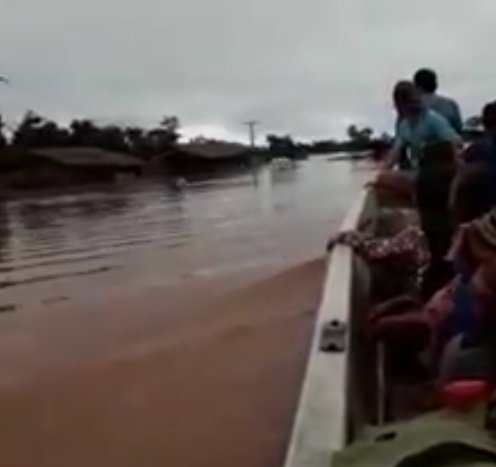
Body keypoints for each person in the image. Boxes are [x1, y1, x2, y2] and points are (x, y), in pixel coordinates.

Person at [413, 68, 463, 135]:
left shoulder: (411, 107)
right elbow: (458, 130)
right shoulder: (451, 104)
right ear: (435, 85)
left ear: (416, 86)